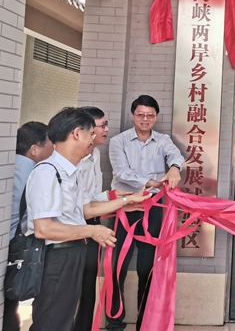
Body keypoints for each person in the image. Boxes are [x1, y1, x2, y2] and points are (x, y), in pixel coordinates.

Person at [25, 107, 149, 331]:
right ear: (76, 134)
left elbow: (87, 209)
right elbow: (44, 229)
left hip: (74, 251)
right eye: (92, 133)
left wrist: (126, 201)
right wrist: (92, 231)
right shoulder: (48, 172)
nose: (94, 139)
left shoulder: (72, 172)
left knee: (65, 317)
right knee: (53, 319)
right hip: (56, 256)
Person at [108, 95, 184, 331]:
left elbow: (176, 156)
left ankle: (145, 323)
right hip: (125, 207)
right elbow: (121, 172)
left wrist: (174, 168)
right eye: (140, 114)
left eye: (150, 115)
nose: (145, 119)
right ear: (133, 115)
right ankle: (114, 323)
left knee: (147, 267)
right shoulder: (119, 141)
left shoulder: (162, 140)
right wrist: (151, 181)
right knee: (117, 267)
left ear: (156, 117)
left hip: (153, 210)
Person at [74, 107, 133, 331]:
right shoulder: (73, 161)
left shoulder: (95, 154)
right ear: (83, 131)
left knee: (89, 285)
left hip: (92, 225)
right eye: (101, 126)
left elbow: (91, 198)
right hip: (74, 229)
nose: (106, 130)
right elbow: (83, 207)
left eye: (105, 124)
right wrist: (123, 201)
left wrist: (112, 196)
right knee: (72, 289)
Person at [3, 122, 54, 331]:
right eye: (50, 143)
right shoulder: (35, 175)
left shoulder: (8, 166)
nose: (53, 148)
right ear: (34, 149)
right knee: (10, 303)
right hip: (14, 247)